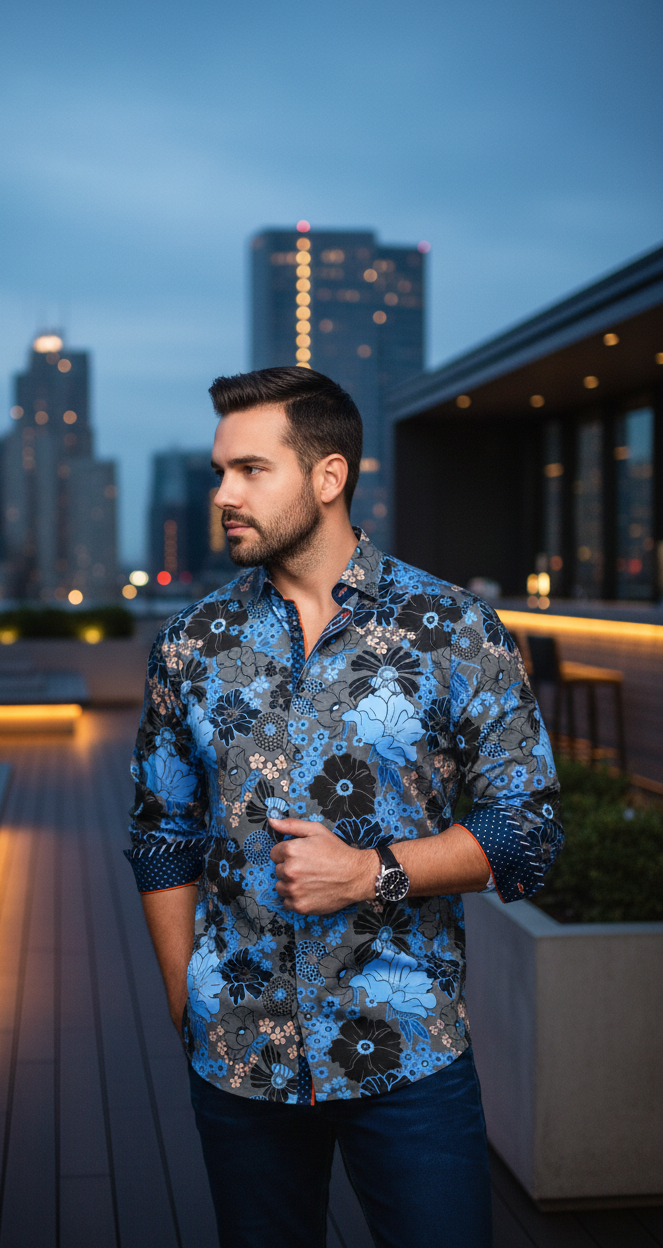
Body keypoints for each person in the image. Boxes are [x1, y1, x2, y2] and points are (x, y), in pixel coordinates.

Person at [125, 366, 562, 1248]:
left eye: (250, 470)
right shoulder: (191, 643)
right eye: (220, 473)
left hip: (409, 1053)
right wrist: (187, 1000)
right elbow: (161, 834)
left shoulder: (451, 629)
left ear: (329, 478)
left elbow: (531, 830)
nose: (224, 495)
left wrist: (371, 873)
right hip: (238, 1060)